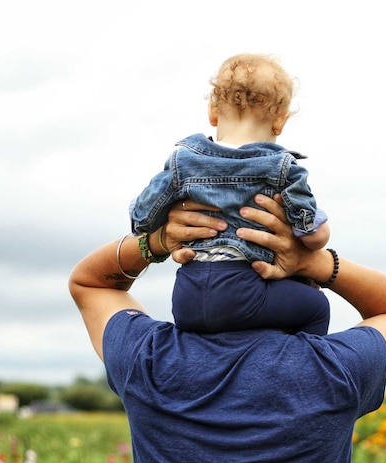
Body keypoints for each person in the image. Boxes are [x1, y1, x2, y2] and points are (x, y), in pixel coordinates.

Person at [69, 194, 386, 463]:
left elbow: (91, 283)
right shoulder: (336, 370)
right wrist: (314, 262)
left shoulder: (147, 360)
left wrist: (157, 241)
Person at [130, 53, 330, 335]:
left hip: (187, 297)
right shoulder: (283, 167)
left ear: (212, 112)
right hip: (246, 291)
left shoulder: (182, 161)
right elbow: (311, 236)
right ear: (280, 123)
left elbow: (143, 220)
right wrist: (319, 226)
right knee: (316, 306)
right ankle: (303, 369)